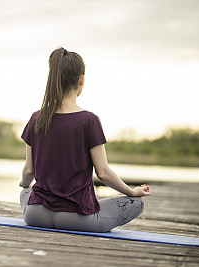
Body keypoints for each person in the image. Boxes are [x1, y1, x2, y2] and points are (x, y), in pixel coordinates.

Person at [19, 47, 151, 233]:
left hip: (36, 216)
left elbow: (28, 171)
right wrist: (132, 191)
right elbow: (103, 173)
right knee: (136, 204)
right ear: (81, 80)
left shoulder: (36, 118)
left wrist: (25, 187)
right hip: (77, 219)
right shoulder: (89, 120)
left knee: (25, 191)